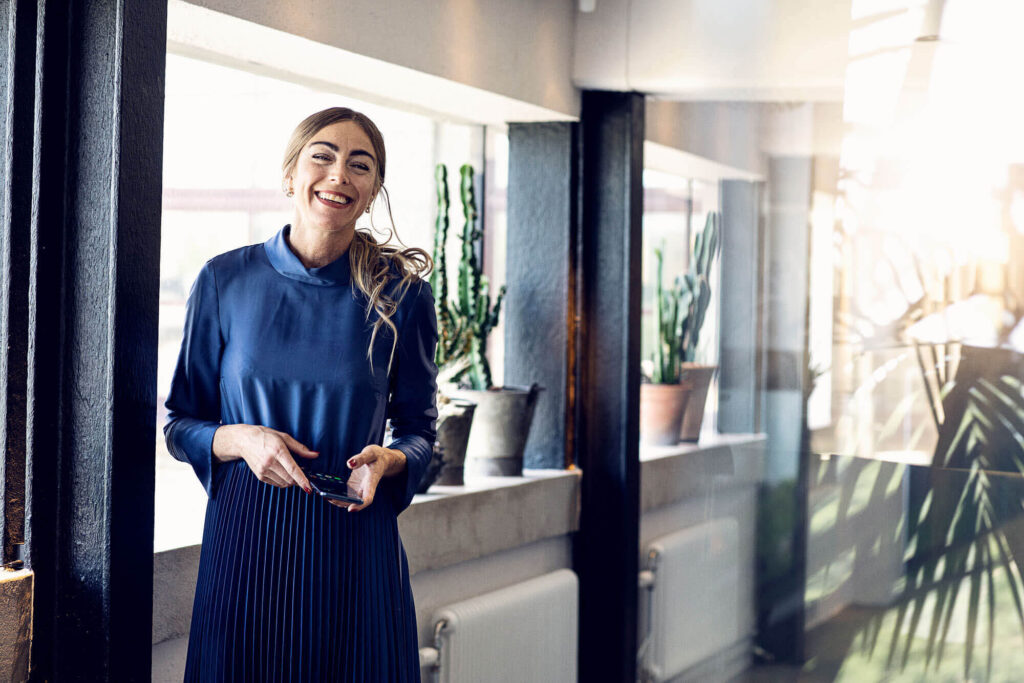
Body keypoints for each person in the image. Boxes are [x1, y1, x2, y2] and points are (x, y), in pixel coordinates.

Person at [164, 106, 438, 682]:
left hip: (355, 551)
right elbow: (180, 423)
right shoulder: (224, 280)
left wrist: (389, 460)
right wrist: (240, 439)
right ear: (290, 176)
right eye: (323, 156)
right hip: (245, 551)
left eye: (359, 165)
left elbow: (420, 434)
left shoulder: (403, 296)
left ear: (371, 192)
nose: (339, 174)